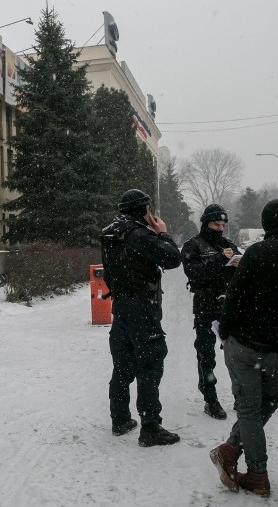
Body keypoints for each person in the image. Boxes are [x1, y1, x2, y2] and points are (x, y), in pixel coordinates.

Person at [211, 199, 278, 497]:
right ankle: (231, 450)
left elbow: (234, 295)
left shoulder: (257, 253)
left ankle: (257, 473)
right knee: (267, 403)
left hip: (246, 344)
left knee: (249, 409)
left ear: (267, 224)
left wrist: (226, 331)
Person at [101, 189, 183, 447]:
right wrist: (163, 233)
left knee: (122, 364)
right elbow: (172, 258)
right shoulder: (139, 234)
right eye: (148, 208)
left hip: (121, 306)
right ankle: (150, 427)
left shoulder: (111, 232)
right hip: (142, 309)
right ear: (142, 210)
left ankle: (121, 418)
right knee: (150, 364)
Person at [181, 204, 240, 420]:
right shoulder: (192, 246)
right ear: (206, 223)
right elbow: (194, 274)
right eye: (216, 224)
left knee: (236, 354)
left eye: (223, 224)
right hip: (205, 306)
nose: (220, 228)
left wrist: (238, 264)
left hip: (229, 306)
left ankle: (240, 395)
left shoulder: (230, 245)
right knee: (206, 354)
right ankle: (210, 397)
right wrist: (219, 260)